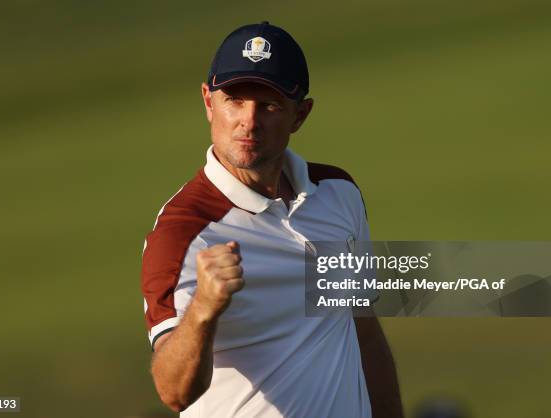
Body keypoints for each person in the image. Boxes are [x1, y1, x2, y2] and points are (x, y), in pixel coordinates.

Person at [141, 21, 403, 418]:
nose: (249, 121)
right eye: (235, 100)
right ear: (208, 102)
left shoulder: (338, 194)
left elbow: (363, 332)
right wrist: (203, 310)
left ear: (301, 114)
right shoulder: (184, 232)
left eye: (269, 105)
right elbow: (174, 392)